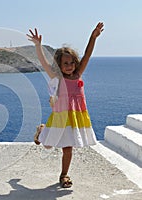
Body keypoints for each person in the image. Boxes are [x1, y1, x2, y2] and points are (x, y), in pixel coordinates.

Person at [27, 22, 104, 188]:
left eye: (71, 63)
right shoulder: (57, 78)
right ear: (60, 66)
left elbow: (87, 56)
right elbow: (44, 64)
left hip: (74, 117)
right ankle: (41, 130)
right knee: (47, 145)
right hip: (60, 116)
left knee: (68, 148)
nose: (69, 66)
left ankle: (64, 175)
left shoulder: (77, 74)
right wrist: (38, 46)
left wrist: (93, 37)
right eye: (65, 64)